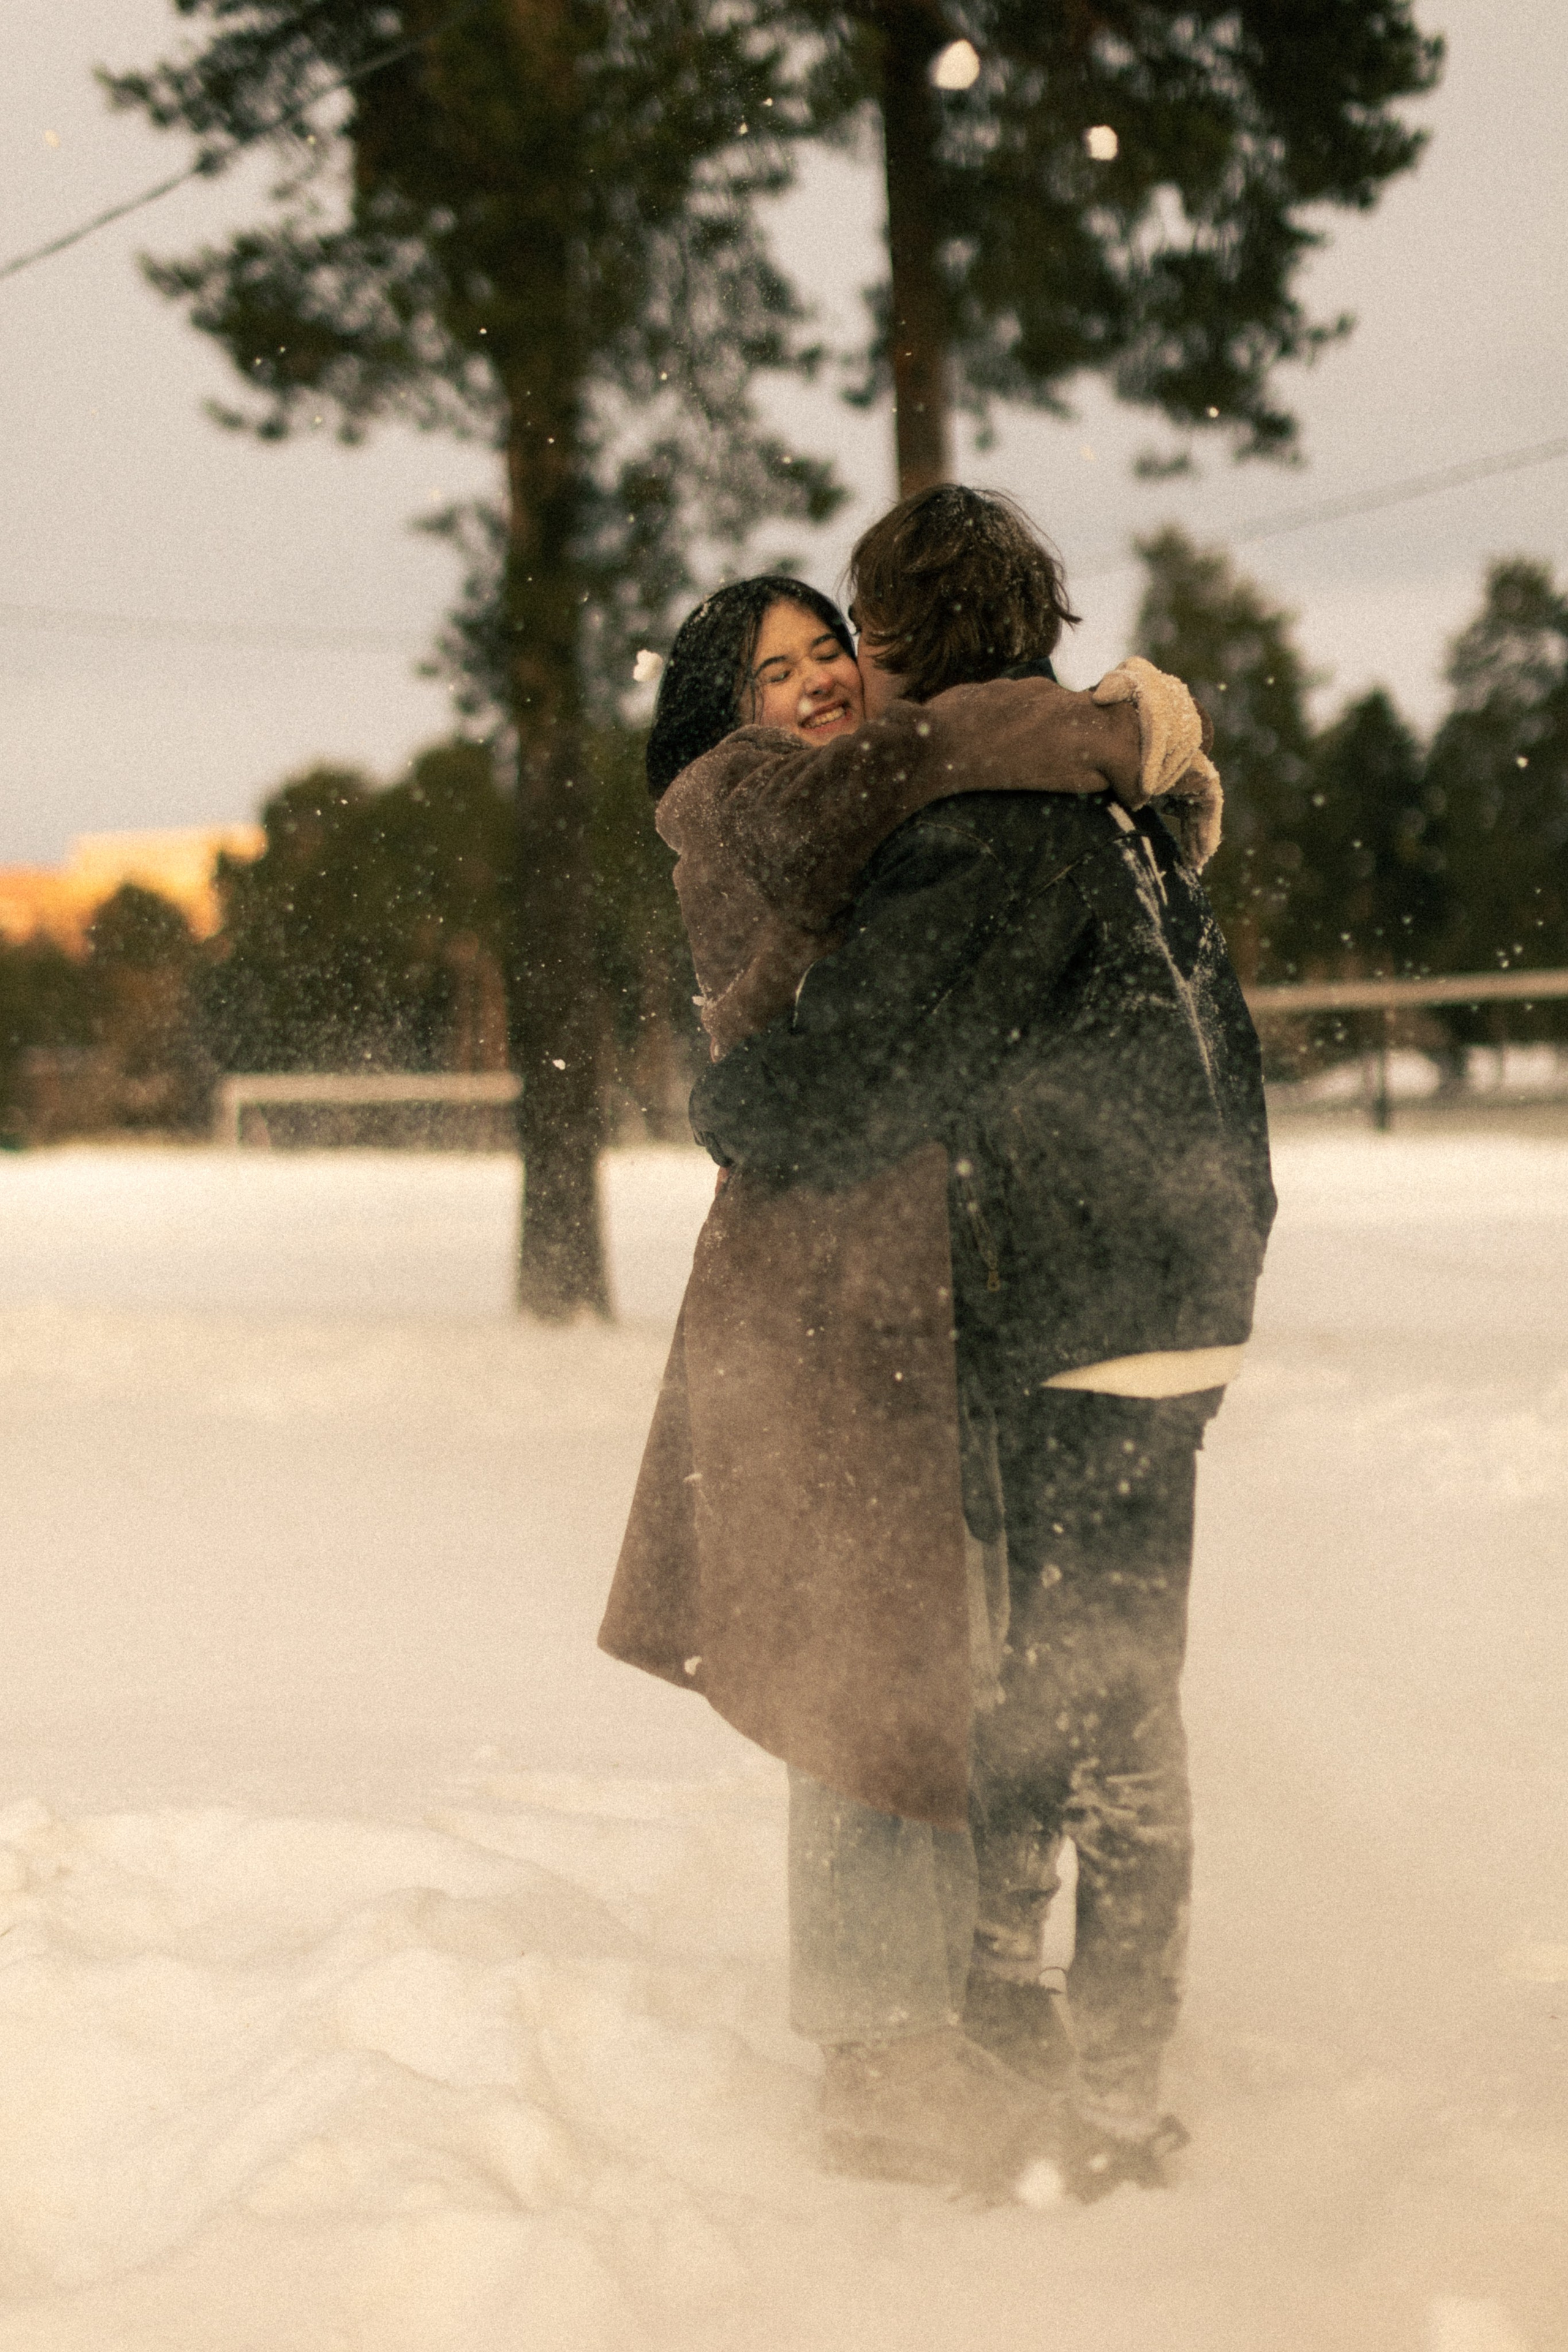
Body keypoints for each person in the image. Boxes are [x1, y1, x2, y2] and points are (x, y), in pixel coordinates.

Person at [600, 546, 1228, 2196]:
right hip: (828, 1286)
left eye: (834, 653)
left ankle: (952, 2018)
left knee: (931, 1658)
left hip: (903, 1274)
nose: (822, 685)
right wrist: (1110, 731)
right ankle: (882, 2056)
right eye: (781, 667)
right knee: (868, 1675)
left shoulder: (864, 805)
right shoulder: (758, 800)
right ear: (722, 716)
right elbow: (945, 759)